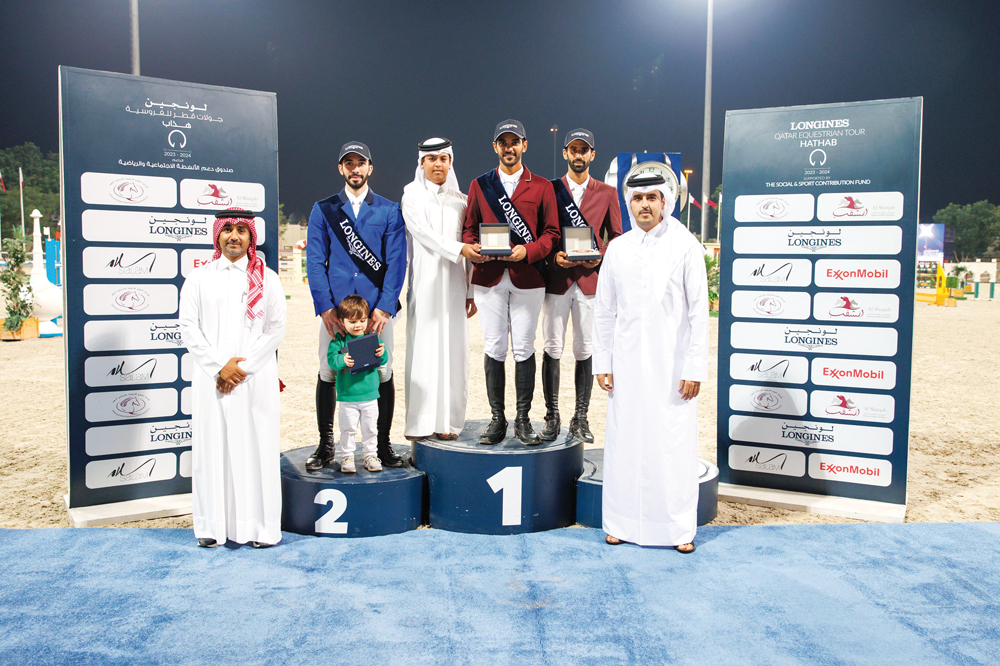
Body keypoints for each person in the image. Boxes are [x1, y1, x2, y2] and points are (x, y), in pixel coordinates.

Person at [593, 172, 709, 553]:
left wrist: (694, 367)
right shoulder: (619, 249)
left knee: (671, 446)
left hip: (671, 370)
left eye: (652, 198)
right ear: (629, 203)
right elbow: (605, 311)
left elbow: (699, 314)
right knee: (624, 443)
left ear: (665, 202)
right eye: (638, 198)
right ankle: (620, 523)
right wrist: (602, 361)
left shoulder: (685, 246)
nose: (644, 205)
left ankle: (677, 531)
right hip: (625, 366)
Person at [179, 207, 287, 549]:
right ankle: (211, 527)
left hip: (254, 380)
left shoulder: (267, 278)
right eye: (228, 230)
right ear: (218, 235)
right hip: (212, 381)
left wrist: (241, 369)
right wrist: (217, 367)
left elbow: (275, 329)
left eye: (242, 230)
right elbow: (188, 328)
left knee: (257, 450)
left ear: (251, 236)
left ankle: (260, 529)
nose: (234, 236)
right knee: (213, 450)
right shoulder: (199, 277)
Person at [305, 142, 407, 471]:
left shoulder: (389, 210)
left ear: (370, 168)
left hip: (376, 313)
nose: (355, 169)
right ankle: (325, 445)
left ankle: (384, 444)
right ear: (341, 169)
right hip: (336, 311)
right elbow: (315, 261)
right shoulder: (324, 209)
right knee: (328, 371)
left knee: (382, 371)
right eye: (348, 163)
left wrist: (385, 308)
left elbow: (396, 263)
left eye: (360, 163)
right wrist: (324, 308)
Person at [461, 119, 561, 445]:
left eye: (514, 141)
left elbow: (552, 234)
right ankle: (496, 420)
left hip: (528, 277)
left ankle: (522, 420)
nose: (509, 147)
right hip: (489, 277)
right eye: (503, 142)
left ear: (524, 145)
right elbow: (468, 230)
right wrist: (475, 249)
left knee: (523, 348)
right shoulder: (479, 185)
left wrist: (528, 251)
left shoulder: (543, 186)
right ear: (495, 147)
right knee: (494, 347)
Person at [540, 128, 622, 442]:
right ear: (565, 153)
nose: (578, 155)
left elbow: (615, 237)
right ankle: (552, 416)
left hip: (589, 282)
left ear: (592, 155)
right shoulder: (550, 189)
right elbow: (541, 233)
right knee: (552, 348)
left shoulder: (607, 193)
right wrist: (553, 257)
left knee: (585, 350)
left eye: (583, 150)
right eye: (573, 149)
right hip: (558, 280)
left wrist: (597, 257)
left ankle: (581, 417)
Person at [400, 138, 477, 440]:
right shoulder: (412, 194)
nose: (438, 164)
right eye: (431, 159)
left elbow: (470, 242)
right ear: (421, 163)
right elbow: (422, 233)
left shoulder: (461, 199)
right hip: (425, 284)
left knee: (454, 350)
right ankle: (419, 424)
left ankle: (448, 423)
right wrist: (460, 249)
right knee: (424, 349)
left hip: (456, 284)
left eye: (444, 158)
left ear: (450, 162)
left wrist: (470, 290)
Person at [326, 295, 389, 473]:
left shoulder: (372, 338)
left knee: (370, 429)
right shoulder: (338, 341)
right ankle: (347, 456)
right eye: (352, 321)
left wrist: (382, 352)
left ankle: (370, 455)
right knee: (348, 429)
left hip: (370, 395)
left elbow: (383, 358)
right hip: (347, 397)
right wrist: (342, 359)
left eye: (362, 320)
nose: (358, 325)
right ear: (341, 321)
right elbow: (332, 360)